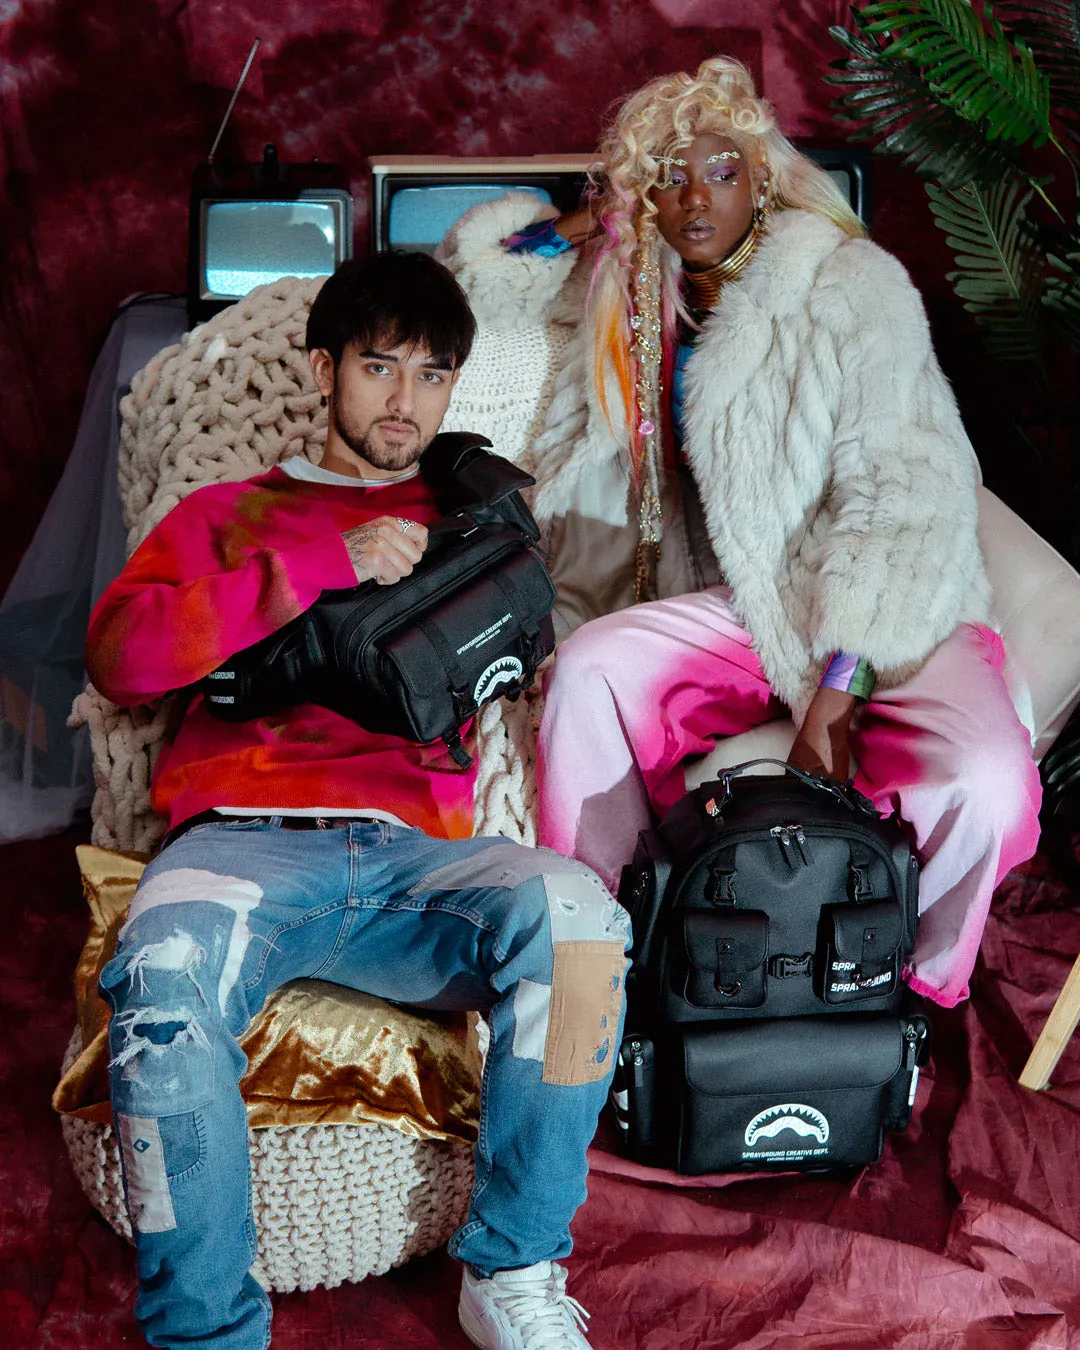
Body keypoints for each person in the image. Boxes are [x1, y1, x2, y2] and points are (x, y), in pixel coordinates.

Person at [85, 250, 628, 1350]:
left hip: (416, 867)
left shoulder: (472, 523)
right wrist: (323, 566)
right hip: (241, 847)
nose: (404, 401)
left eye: (432, 375)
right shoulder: (231, 514)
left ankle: (514, 1270)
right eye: (379, 367)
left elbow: (535, 649)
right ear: (323, 367)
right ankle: (204, 1334)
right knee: (162, 983)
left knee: (582, 929)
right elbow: (121, 660)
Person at [440, 57, 1041, 1009]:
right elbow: (487, 272)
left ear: (761, 178)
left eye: (720, 172)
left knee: (990, 783)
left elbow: (906, 493)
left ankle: (907, 991)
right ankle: (609, 959)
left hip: (889, 606)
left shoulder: (851, 282)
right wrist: (603, 216)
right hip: (749, 607)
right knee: (590, 673)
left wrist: (838, 694)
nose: (696, 199)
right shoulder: (643, 300)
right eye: (668, 177)